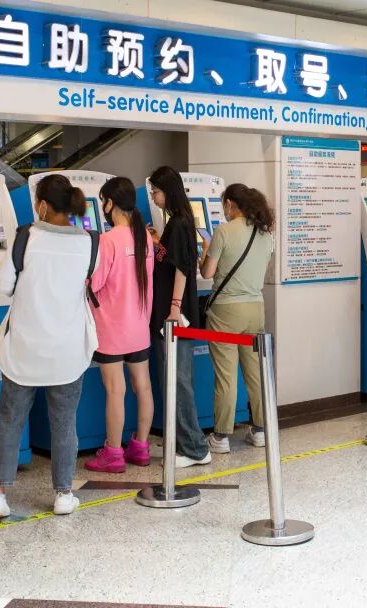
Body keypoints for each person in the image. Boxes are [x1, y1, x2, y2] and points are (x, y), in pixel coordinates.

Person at [0, 174, 97, 518]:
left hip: (25, 348)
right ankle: (63, 494)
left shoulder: (25, 237)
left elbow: (3, 285)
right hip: (68, 349)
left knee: (10, 421)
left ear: (44, 205)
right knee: (64, 423)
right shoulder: (89, 242)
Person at [83, 177, 155, 474]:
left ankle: (113, 453)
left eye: (103, 201)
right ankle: (141, 447)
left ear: (110, 203)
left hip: (111, 327)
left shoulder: (108, 240)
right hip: (139, 326)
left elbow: (95, 283)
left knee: (116, 390)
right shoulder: (144, 237)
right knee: (143, 386)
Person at [199, 184, 275, 452]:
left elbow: (207, 273)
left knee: (226, 376)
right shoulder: (265, 233)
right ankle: (260, 430)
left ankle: (220, 436)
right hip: (255, 308)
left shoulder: (223, 231)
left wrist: (205, 251)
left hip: (226, 311)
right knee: (255, 373)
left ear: (230, 204)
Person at [147, 166, 210, 469]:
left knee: (179, 381)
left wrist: (174, 308)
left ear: (168, 191)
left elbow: (183, 268)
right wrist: (157, 242)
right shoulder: (175, 223)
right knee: (175, 379)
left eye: (156, 191)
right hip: (169, 313)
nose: (153, 197)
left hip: (175, 315)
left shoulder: (181, 223)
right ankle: (183, 443)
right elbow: (170, 259)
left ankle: (196, 448)